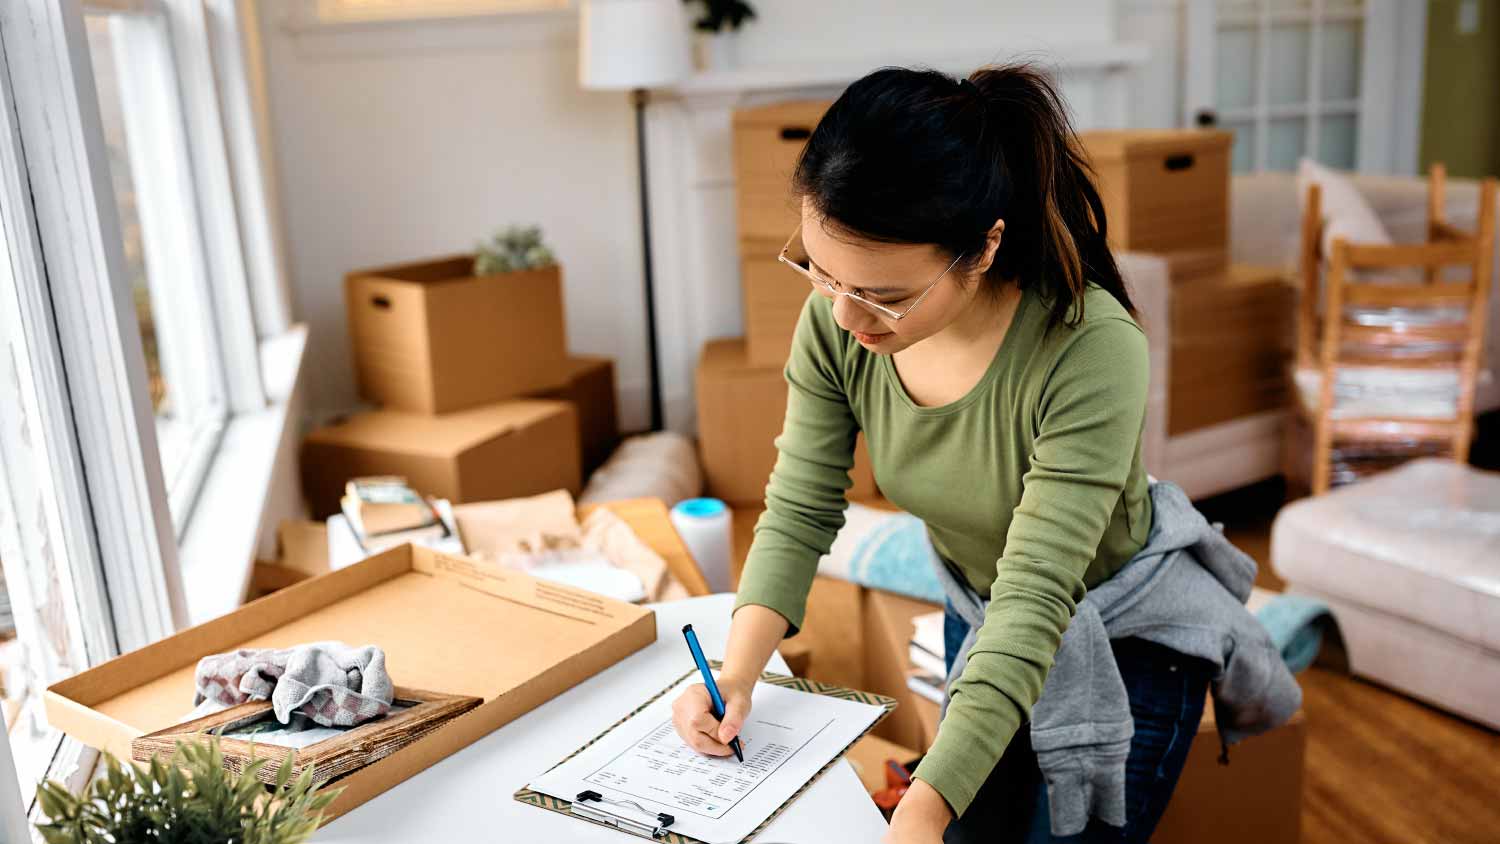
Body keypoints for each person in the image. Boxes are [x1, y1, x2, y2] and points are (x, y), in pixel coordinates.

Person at [670, 64, 1287, 844]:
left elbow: (1035, 592)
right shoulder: (838, 321)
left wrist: (922, 809)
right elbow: (798, 505)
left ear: (985, 246)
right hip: (981, 608)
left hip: (1125, 634)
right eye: (822, 273)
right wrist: (735, 674)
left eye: (885, 295)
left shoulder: (1091, 348)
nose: (845, 313)